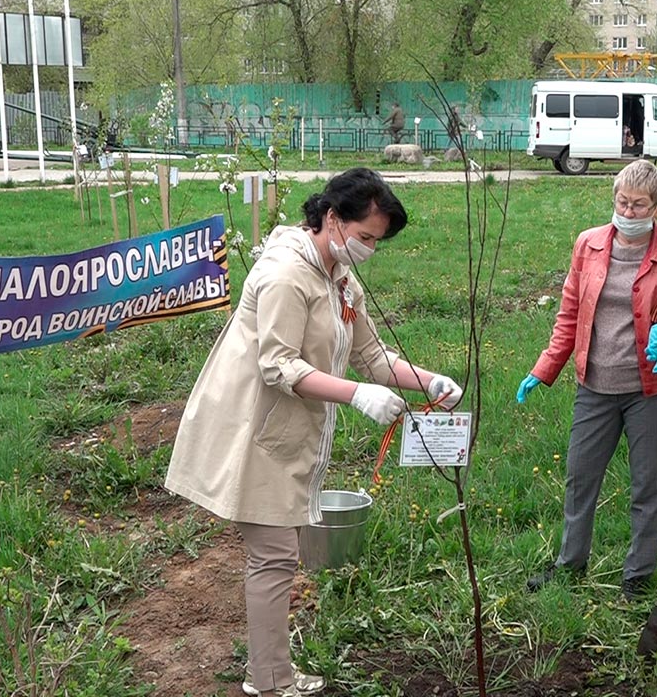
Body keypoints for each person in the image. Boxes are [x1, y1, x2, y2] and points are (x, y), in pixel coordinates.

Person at [165, 167, 463, 697]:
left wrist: (428, 381)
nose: (370, 248)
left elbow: (371, 355)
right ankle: (271, 680)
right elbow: (277, 365)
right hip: (253, 431)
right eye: (365, 236)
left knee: (277, 554)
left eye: (378, 241)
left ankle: (271, 671)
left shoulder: (339, 276)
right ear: (330, 217)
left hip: (288, 429)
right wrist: (356, 395)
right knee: (275, 555)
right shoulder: (286, 274)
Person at [517, 159, 657, 601]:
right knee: (580, 478)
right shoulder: (589, 246)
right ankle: (570, 565)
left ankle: (637, 577)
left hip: (652, 391)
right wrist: (544, 368)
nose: (628, 211)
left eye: (639, 205)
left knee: (647, 484)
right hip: (595, 387)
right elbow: (569, 315)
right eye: (622, 201)